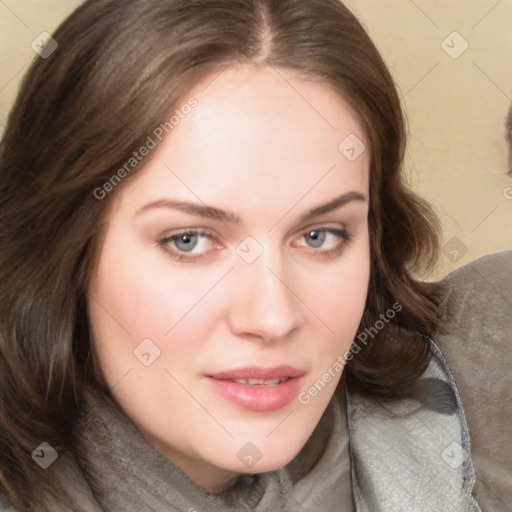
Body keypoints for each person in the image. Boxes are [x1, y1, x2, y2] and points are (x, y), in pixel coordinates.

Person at [0, 0, 510, 511]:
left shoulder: (479, 377)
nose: (272, 317)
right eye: (189, 240)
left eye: (320, 236)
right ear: (66, 251)